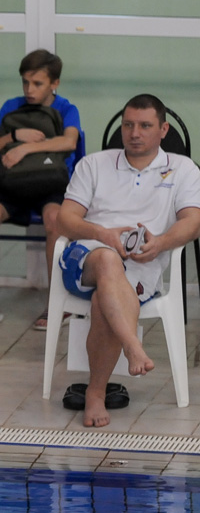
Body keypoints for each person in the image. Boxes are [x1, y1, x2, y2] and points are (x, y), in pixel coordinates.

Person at [57, 94, 200, 428]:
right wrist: (103, 234)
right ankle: (132, 345)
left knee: (104, 301)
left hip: (141, 266)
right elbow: (65, 219)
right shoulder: (94, 164)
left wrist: (160, 243)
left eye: (145, 126)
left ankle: (95, 393)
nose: (135, 133)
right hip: (86, 256)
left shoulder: (182, 169)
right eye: (128, 125)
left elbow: (193, 222)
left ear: (163, 129)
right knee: (108, 261)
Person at [0, 49, 81, 332]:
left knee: (54, 219)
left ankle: (57, 304)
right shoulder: (11, 107)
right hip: (13, 184)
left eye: (37, 83)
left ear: (54, 83)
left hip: (50, 184)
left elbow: (69, 142)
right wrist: (14, 136)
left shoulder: (67, 109)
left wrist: (26, 148)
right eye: (25, 82)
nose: (29, 90)